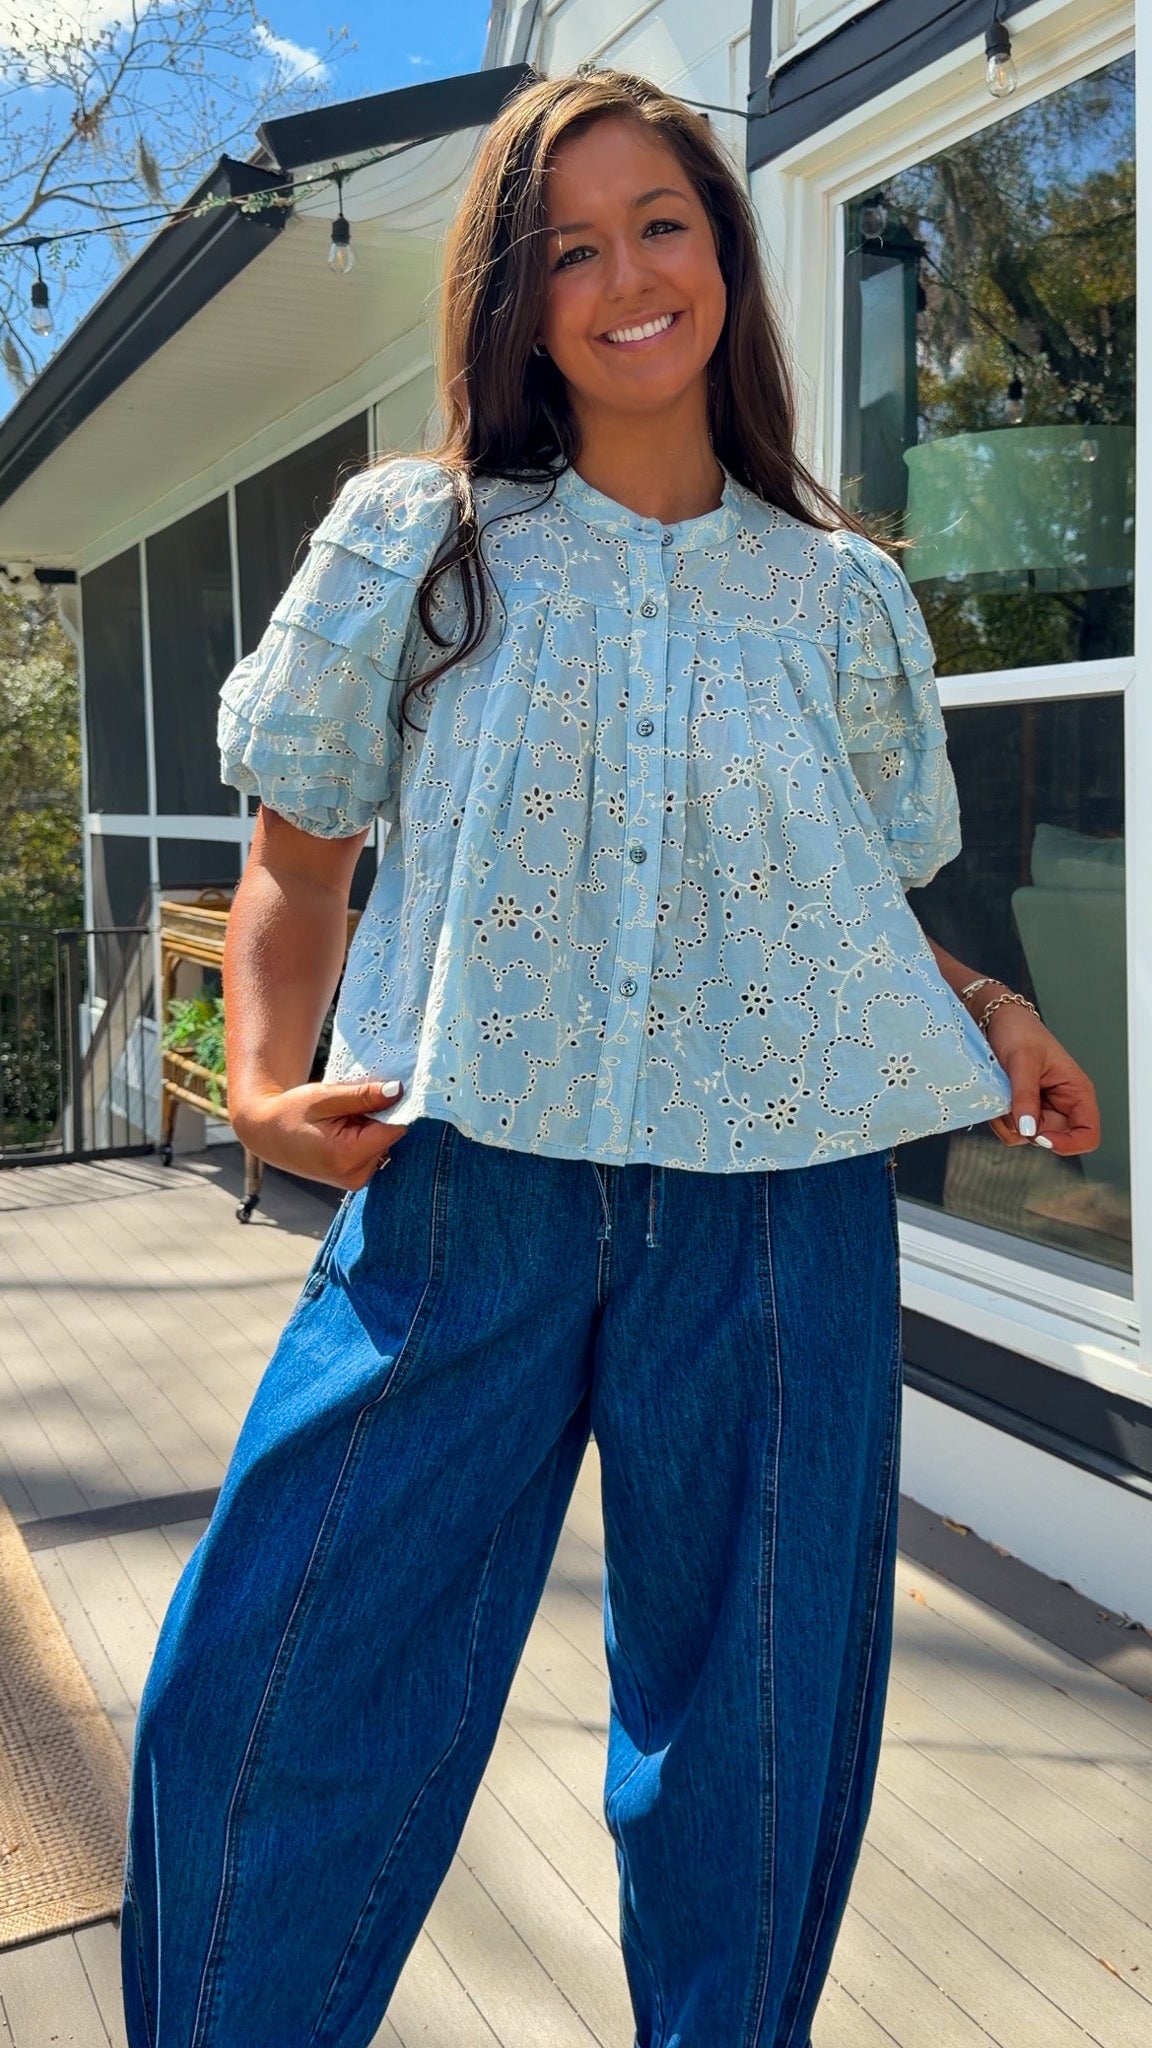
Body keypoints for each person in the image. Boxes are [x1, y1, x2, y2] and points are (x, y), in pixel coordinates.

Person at [121, 69, 1099, 2048]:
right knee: (268, 1693)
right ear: (511, 292)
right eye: (568, 245)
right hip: (456, 1187)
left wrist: (990, 1009)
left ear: (724, 258)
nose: (625, 276)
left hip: (778, 1224)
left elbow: (834, 897)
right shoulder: (424, 542)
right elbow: (297, 857)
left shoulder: (842, 598)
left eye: (663, 222)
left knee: (749, 1742)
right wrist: (256, 1079)